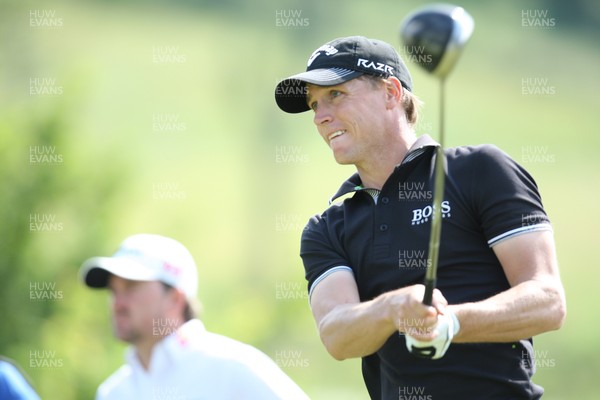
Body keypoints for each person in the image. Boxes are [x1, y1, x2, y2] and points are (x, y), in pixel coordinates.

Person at [275, 35, 566, 399]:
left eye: (336, 95)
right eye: (314, 104)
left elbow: (548, 301)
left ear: (391, 93)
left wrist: (451, 323)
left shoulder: (480, 171)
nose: (320, 116)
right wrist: (392, 309)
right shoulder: (328, 228)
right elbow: (337, 335)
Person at [79, 233, 309, 400]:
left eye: (131, 287)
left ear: (175, 299)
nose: (117, 303)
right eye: (113, 291)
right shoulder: (114, 392)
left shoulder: (232, 366)